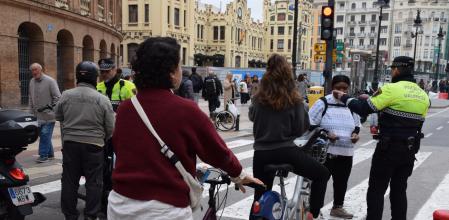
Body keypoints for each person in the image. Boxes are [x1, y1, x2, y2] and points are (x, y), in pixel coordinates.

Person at [107, 37, 263, 220]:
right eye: (179, 66)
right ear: (172, 72)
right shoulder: (186, 110)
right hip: (164, 210)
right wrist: (239, 174)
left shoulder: (127, 108)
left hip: (120, 205)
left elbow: (123, 148)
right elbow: (217, 151)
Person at [333, 56, 430, 220]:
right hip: (409, 151)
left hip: (388, 149)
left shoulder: (392, 89)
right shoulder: (423, 95)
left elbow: (364, 109)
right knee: (399, 190)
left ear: (397, 70)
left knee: (377, 190)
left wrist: (343, 97)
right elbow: (418, 123)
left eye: (392, 69)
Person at [249, 54, 330, 220]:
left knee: (260, 196)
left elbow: (252, 117)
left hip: (261, 154)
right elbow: (302, 126)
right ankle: (312, 214)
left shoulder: (258, 98)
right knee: (322, 174)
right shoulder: (293, 99)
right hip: (286, 150)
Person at [55, 61, 115, 220]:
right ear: (95, 78)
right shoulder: (102, 99)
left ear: (77, 76)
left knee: (69, 181)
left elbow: (58, 116)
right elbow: (110, 128)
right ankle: (91, 215)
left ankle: (70, 214)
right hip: (94, 145)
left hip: (70, 144)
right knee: (94, 182)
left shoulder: (66, 95)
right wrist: (102, 138)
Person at [308, 75, 361, 219]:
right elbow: (310, 123)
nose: (342, 91)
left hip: (346, 151)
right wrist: (326, 133)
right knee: (320, 182)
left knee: (341, 181)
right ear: (332, 88)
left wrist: (356, 134)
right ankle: (314, 210)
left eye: (345, 88)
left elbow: (357, 125)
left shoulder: (351, 104)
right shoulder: (323, 102)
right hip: (325, 152)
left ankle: (337, 207)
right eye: (338, 88)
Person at [28, 63, 61, 163]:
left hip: (49, 115)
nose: (34, 72)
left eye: (36, 70)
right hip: (37, 116)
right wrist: (30, 112)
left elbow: (58, 97)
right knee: (43, 135)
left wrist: (50, 108)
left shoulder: (50, 81)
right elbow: (30, 97)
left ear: (40, 70)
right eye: (32, 70)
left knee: (45, 134)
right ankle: (50, 154)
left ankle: (43, 156)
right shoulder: (31, 82)